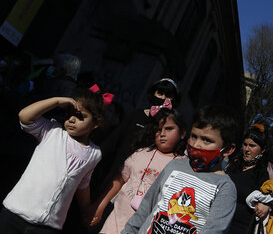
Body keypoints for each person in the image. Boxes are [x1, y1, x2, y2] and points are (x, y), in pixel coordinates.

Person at [0, 87, 107, 233]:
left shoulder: (94, 154)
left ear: (96, 123)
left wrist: (86, 209)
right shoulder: (51, 132)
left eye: (80, 116)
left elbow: (83, 184)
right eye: (69, 114)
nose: (71, 119)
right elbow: (24, 116)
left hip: (48, 226)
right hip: (14, 214)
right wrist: (56, 101)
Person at [122, 104, 240, 234]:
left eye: (206, 140)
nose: (196, 144)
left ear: (228, 149)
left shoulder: (225, 187)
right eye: (194, 136)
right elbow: (145, 209)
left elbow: (215, 230)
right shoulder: (175, 166)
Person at [87, 103, 187, 233]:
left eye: (169, 129)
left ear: (183, 134)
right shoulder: (140, 153)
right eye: (158, 129)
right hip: (114, 225)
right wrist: (99, 206)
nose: (162, 133)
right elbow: (119, 180)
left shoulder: (183, 166)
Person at [92, 78, 179, 199]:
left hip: (139, 181)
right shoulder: (136, 115)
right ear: (153, 93)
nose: (163, 98)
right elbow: (113, 141)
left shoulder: (168, 126)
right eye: (160, 93)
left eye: (168, 95)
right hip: (115, 172)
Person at [225, 124, 273, 234]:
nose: (247, 149)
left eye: (252, 146)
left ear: (263, 149)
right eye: (245, 145)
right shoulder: (234, 163)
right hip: (221, 222)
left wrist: (269, 205)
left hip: (245, 228)